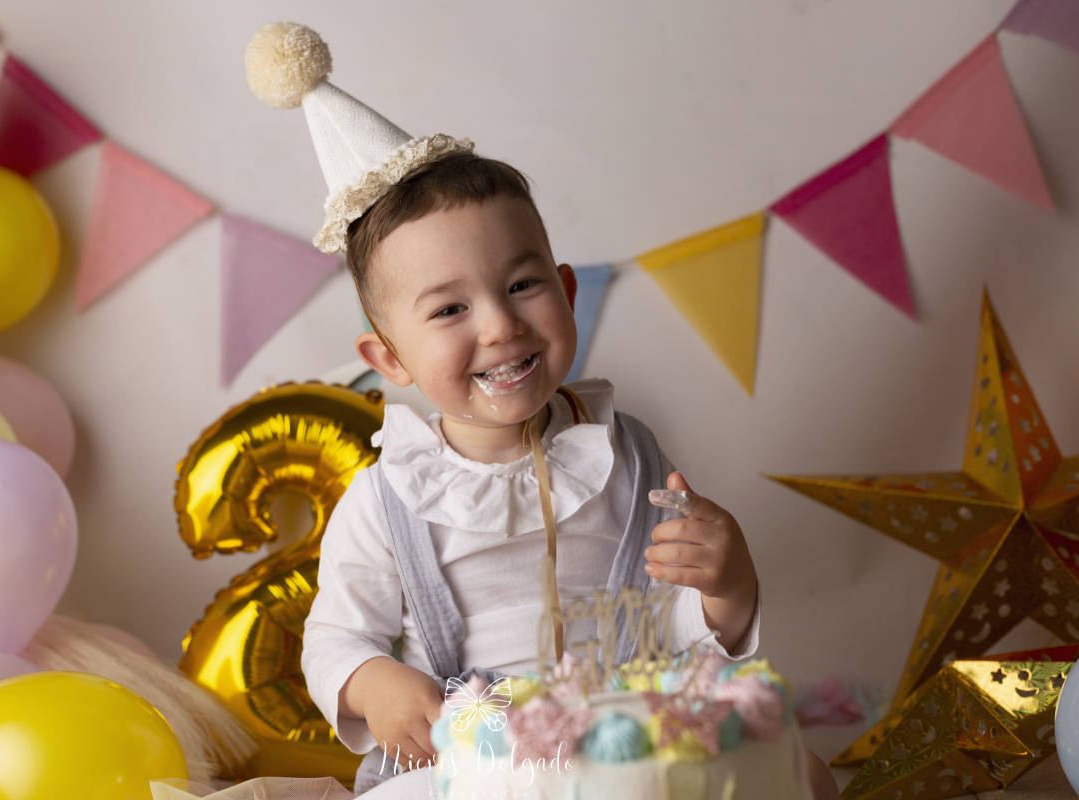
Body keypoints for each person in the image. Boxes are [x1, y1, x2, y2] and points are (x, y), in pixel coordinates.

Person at [243, 23, 836, 800]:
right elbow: (334, 638)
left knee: (797, 772)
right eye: (450, 309)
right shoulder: (387, 500)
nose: (500, 325)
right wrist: (372, 682)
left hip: (617, 745)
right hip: (468, 763)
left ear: (567, 290)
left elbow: (672, 628)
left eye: (522, 285)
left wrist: (726, 586)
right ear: (389, 359)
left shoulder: (625, 457)